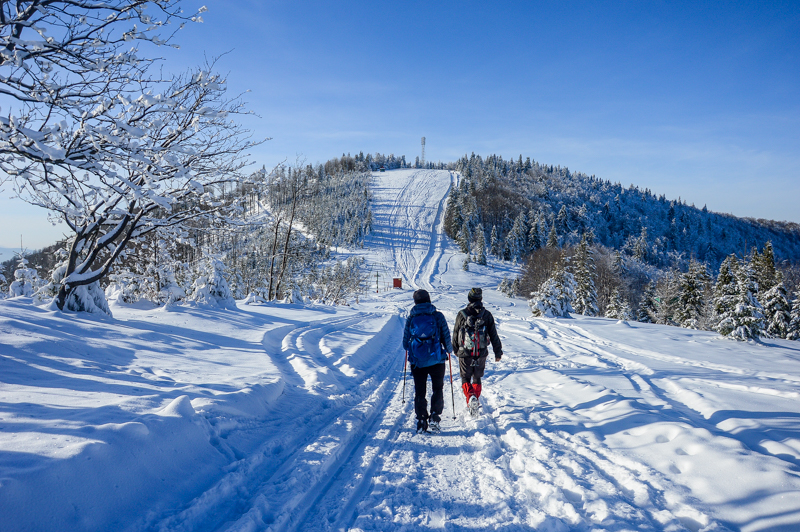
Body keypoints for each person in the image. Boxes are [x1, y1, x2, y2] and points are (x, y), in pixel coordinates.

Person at [402, 289, 453, 433]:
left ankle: (421, 420)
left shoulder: (411, 318)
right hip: (437, 360)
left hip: (418, 362)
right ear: (429, 299)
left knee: (420, 391)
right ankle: (435, 418)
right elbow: (446, 337)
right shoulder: (437, 316)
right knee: (437, 389)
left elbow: (405, 344)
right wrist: (449, 350)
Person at [452, 287, 503, 415]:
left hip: (465, 352)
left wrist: (455, 349)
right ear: (480, 299)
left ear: (469, 299)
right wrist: (498, 352)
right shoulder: (486, 315)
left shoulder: (462, 314)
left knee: (465, 377)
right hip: (481, 352)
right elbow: (493, 335)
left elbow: (455, 333)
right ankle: (475, 399)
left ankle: (470, 398)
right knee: (477, 377)